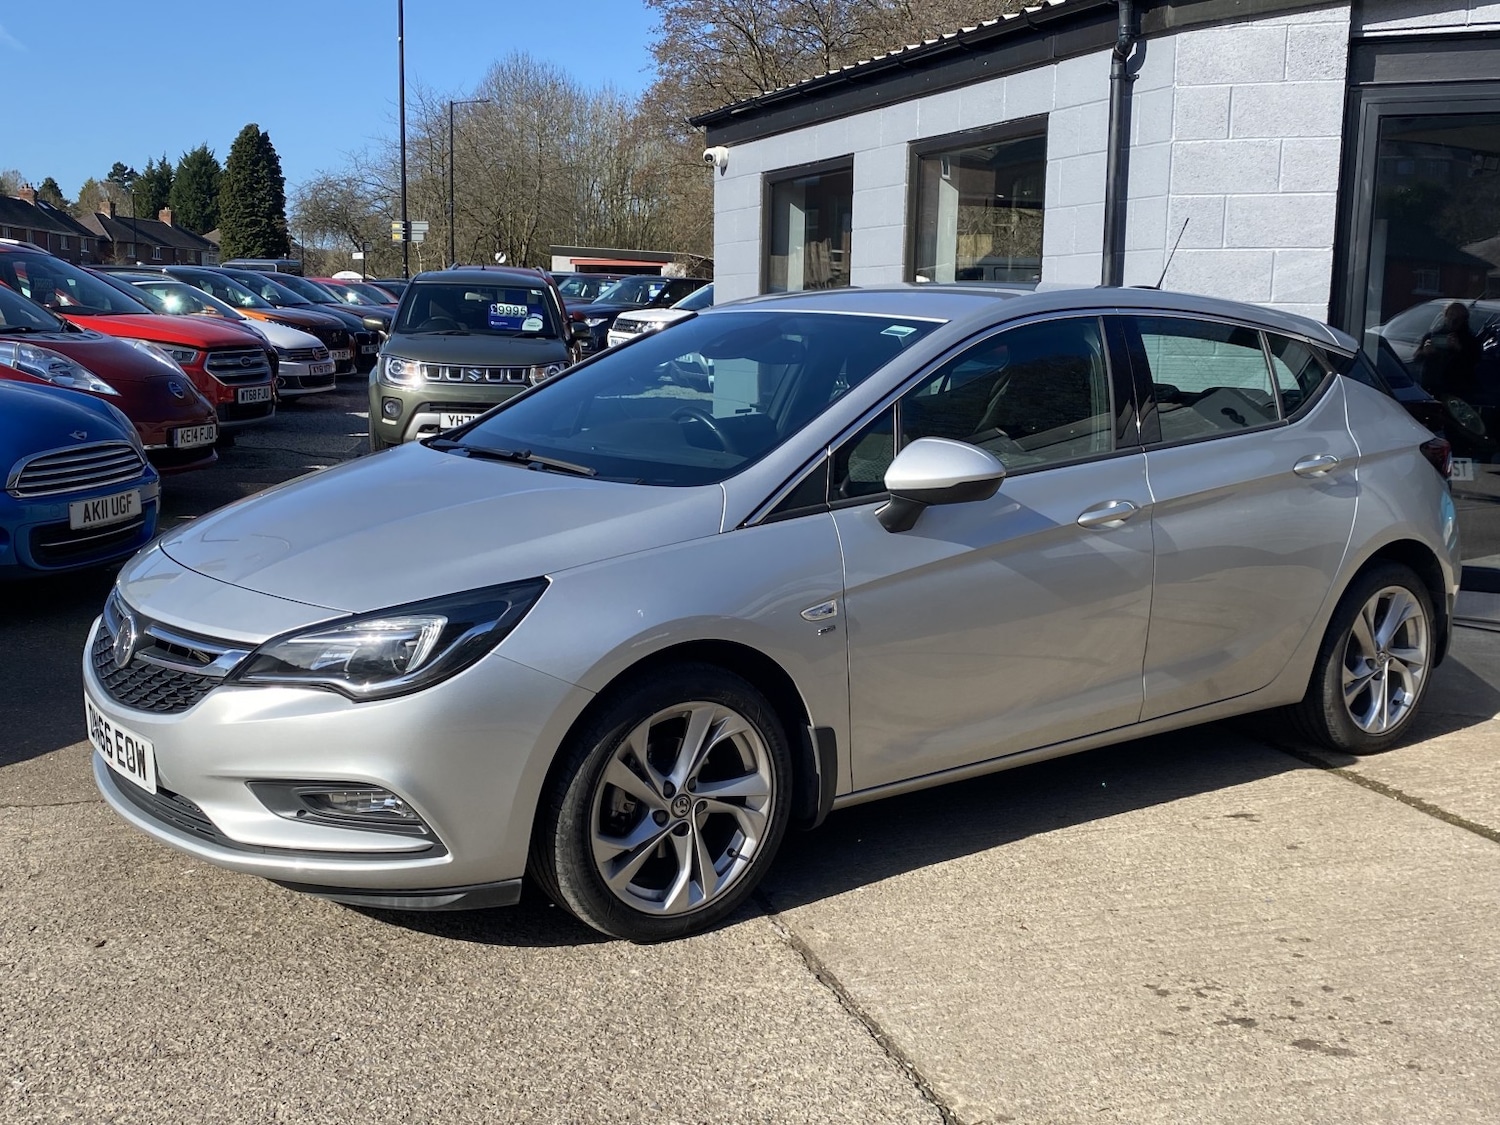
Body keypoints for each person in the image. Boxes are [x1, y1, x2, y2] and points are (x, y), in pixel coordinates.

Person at [1416, 301, 1480, 400]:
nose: (1453, 319)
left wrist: (1458, 349)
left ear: (1464, 319)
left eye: (1458, 316)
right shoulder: (1433, 335)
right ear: (1445, 316)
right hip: (1431, 386)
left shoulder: (1470, 340)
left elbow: (1474, 362)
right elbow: (1416, 358)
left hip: (1456, 389)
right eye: (1450, 315)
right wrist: (1425, 352)